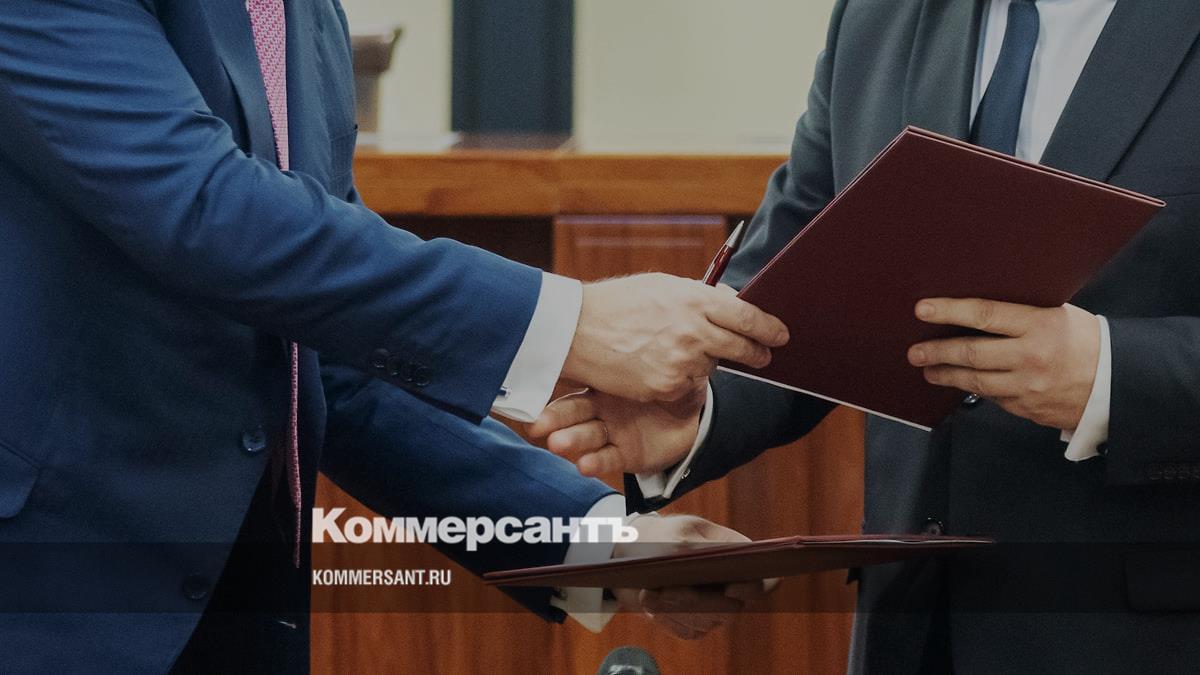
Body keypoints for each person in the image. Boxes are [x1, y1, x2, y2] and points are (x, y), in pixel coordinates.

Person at [0, 1, 780, 670]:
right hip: (51, 601)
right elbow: (203, 208)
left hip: (241, 607)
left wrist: (602, 542)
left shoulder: (303, 14)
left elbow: (330, 346)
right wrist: (569, 322)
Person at [535, 0, 1200, 671]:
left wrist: (1112, 373)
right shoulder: (878, 16)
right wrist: (701, 404)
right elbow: (798, 279)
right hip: (907, 630)